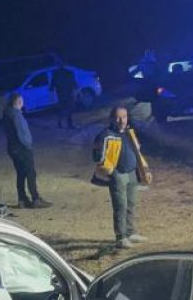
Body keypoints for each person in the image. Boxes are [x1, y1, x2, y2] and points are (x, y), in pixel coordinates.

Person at [92, 106, 150, 248]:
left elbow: (137, 151)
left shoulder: (130, 133)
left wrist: (142, 169)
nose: (121, 120)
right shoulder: (106, 134)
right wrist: (109, 171)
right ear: (112, 119)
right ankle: (121, 237)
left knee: (131, 204)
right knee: (120, 206)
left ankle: (130, 232)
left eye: (124, 117)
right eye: (118, 117)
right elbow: (97, 156)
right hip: (118, 174)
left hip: (132, 173)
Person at [2, 93, 52, 209]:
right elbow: (22, 133)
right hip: (22, 148)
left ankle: (22, 199)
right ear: (18, 102)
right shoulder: (16, 115)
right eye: (21, 101)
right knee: (30, 173)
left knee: (21, 174)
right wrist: (28, 145)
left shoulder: (7, 114)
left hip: (12, 148)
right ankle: (35, 198)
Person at [53, 66, 79, 130]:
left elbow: (52, 86)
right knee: (69, 109)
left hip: (62, 95)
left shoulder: (56, 74)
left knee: (64, 109)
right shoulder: (68, 74)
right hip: (67, 95)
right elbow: (74, 84)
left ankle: (62, 123)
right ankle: (68, 124)